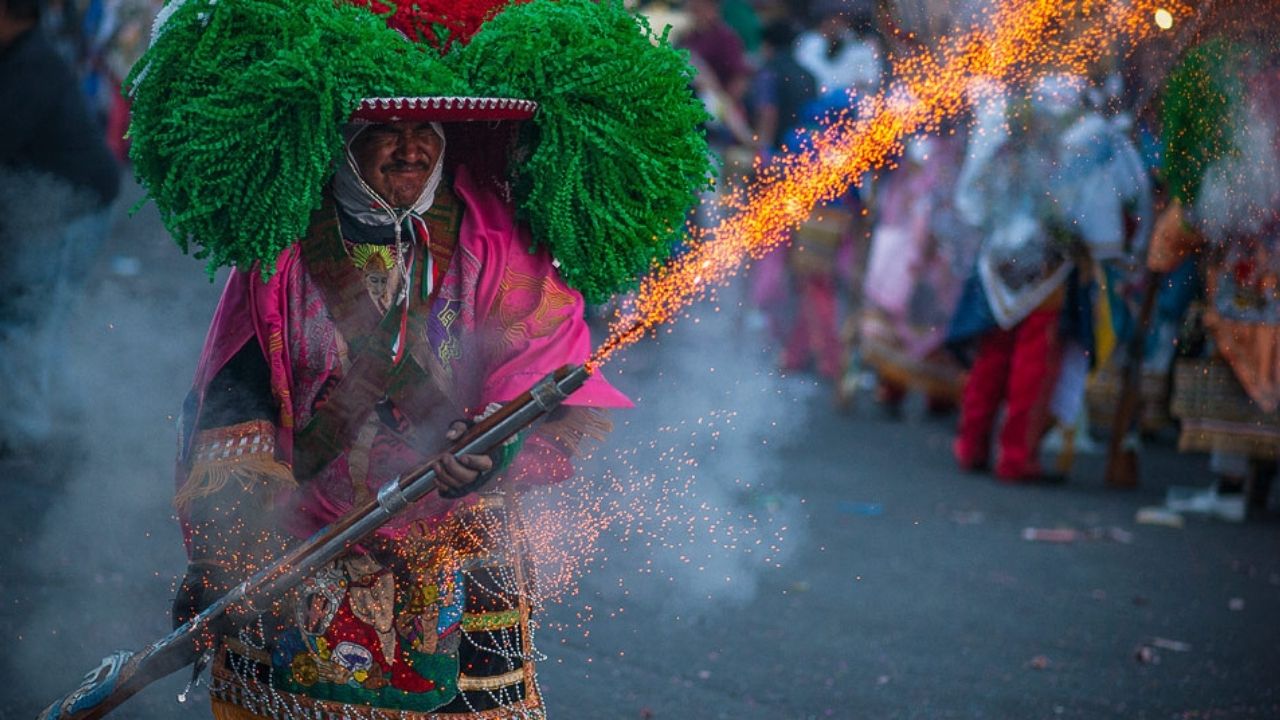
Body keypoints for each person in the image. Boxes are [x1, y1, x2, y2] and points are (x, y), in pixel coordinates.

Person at [128, 0, 710, 716]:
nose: (410, 150)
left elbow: (552, 384)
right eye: (385, 130)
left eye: (425, 130)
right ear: (341, 138)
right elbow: (231, 398)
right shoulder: (278, 255)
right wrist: (236, 538)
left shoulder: (497, 242)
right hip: (301, 553)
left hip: (457, 557)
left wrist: (495, 451)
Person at [948, 75, 1149, 483]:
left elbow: (973, 198)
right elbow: (1107, 211)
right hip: (1048, 266)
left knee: (994, 355)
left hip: (999, 258)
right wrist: (1112, 256)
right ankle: (1016, 457)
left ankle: (971, 445)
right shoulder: (1090, 141)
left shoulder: (1003, 129)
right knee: (1033, 364)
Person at [1152, 15, 1280, 520]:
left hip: (1249, 279)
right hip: (1254, 272)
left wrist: (1170, 243)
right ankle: (1249, 488)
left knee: (1235, 370)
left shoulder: (1244, 134)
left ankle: (1231, 488)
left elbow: (1216, 209)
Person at [0, 0, 120, 452]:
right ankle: (61, 411)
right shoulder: (18, 55)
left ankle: (22, 432)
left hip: (77, 209)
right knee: (37, 310)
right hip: (57, 206)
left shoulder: (31, 67)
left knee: (24, 313)